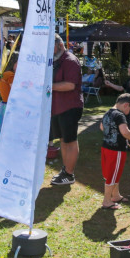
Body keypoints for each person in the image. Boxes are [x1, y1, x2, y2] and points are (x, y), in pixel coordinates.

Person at [50, 34, 84, 186]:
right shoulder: (56, 60)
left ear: (60, 45)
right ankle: (66, 170)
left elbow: (70, 85)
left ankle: (69, 174)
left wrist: (48, 86)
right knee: (63, 140)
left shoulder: (70, 60)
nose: (49, 50)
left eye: (51, 47)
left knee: (70, 141)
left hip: (70, 107)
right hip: (58, 107)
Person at [99, 93, 130, 209]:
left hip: (105, 148)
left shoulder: (108, 113)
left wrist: (114, 134)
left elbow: (102, 127)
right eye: (129, 109)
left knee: (112, 173)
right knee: (112, 175)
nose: (129, 112)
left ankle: (116, 196)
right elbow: (125, 131)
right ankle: (107, 201)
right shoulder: (120, 115)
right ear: (126, 105)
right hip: (116, 151)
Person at [104, 60, 130, 144]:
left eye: (128, 67)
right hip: (127, 108)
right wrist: (110, 84)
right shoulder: (129, 80)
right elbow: (120, 88)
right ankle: (128, 143)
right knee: (127, 125)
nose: (127, 69)